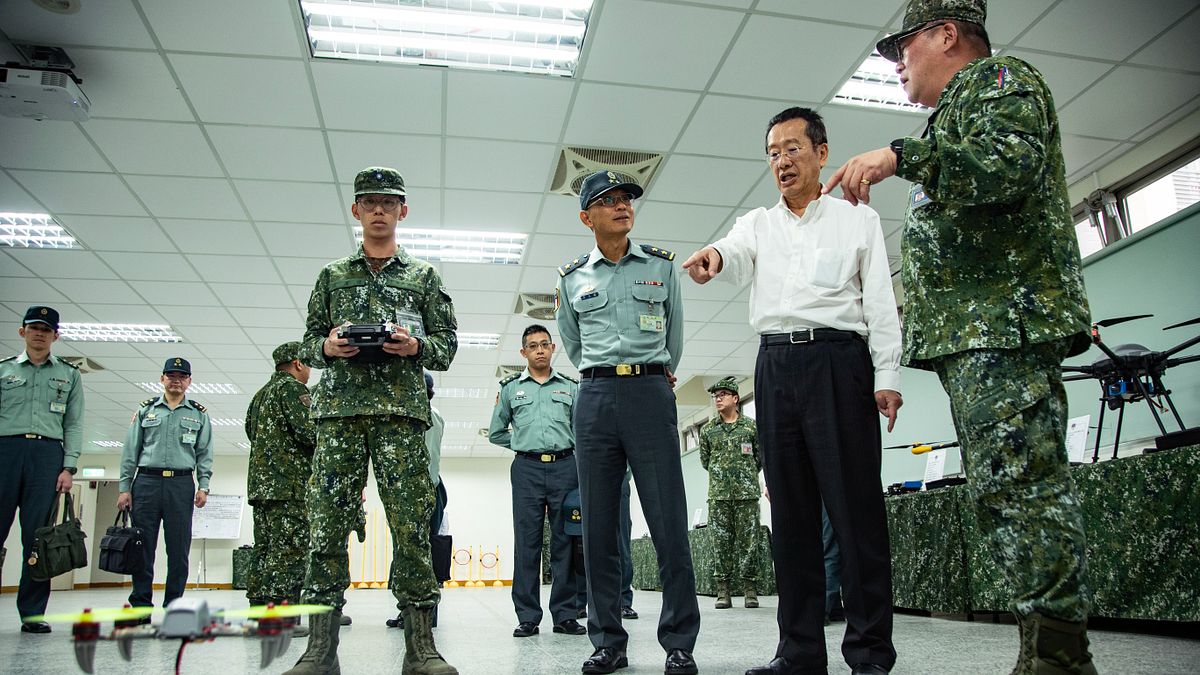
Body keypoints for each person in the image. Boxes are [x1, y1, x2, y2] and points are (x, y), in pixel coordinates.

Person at [823, 2, 1096, 673]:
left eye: (903, 48)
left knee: (1028, 492)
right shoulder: (958, 116)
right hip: (981, 338)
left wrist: (901, 155)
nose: (897, 65)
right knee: (1004, 493)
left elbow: (1007, 166)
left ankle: (1059, 657)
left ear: (947, 35)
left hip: (1005, 329)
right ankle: (1043, 651)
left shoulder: (1001, 81)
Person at [683, 107, 902, 675]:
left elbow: (880, 304)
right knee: (792, 520)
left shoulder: (858, 222)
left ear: (821, 152)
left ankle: (871, 653)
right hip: (775, 370)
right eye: (773, 152)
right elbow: (730, 251)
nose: (781, 160)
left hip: (840, 364)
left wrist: (888, 377)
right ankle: (800, 653)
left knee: (856, 516)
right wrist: (712, 257)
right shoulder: (758, 223)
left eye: (792, 148)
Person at [286, 166, 458, 675]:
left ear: (403, 211)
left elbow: (446, 346)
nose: (379, 210)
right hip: (339, 415)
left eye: (389, 202)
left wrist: (416, 345)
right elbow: (305, 342)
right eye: (370, 202)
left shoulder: (423, 276)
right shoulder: (332, 275)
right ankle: (320, 648)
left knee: (411, 529)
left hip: (402, 416)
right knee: (326, 527)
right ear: (355, 210)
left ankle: (420, 646)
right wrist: (325, 346)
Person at [557, 169, 700, 675]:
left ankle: (679, 643)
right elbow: (572, 345)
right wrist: (601, 379)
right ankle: (608, 643)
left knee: (668, 524)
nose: (622, 206)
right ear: (586, 217)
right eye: (609, 200)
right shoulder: (572, 277)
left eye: (627, 199)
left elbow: (675, 338)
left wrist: (650, 376)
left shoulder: (660, 269)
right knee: (598, 529)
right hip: (594, 397)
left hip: (649, 392)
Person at [487, 325, 586, 638]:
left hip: (566, 469)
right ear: (523, 353)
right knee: (527, 543)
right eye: (533, 346)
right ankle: (528, 616)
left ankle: (565, 615)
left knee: (565, 544)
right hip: (527, 469)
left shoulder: (571, 388)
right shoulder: (510, 389)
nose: (540, 350)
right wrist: (522, 442)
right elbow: (496, 432)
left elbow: (583, 432)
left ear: (553, 348)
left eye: (545, 344)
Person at [0, 306, 83, 633]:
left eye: (46, 330)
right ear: (22, 332)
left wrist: (69, 467)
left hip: (48, 455)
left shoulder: (69, 374)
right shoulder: (4, 371)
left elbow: (74, 424)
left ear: (55, 336)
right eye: (34, 328)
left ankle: (32, 614)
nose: (39, 334)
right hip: (6, 450)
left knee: (39, 540)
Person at [117, 357, 213, 615]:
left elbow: (204, 453)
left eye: (182, 377)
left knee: (179, 550)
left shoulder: (199, 414)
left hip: (181, 484)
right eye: (171, 376)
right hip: (146, 482)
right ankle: (140, 606)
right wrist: (124, 488)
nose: (176, 380)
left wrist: (203, 486)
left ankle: (174, 607)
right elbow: (130, 451)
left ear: (189, 382)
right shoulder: (146, 411)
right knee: (142, 549)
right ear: (162, 379)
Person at [244, 341, 316, 632]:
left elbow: (250, 432)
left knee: (264, 549)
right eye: (308, 364)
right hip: (289, 487)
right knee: (289, 551)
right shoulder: (292, 390)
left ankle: (259, 613)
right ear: (298, 363)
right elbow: (309, 432)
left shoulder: (260, 395)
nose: (310, 370)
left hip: (261, 487)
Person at [387, 371, 450, 629]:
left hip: (417, 491)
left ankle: (421, 613)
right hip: (430, 490)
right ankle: (414, 611)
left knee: (413, 553)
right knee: (420, 553)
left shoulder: (415, 417)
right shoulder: (435, 415)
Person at [697, 377, 762, 610]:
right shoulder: (707, 430)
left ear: (735, 398)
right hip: (719, 496)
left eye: (723, 394)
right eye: (715, 395)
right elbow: (706, 461)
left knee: (749, 543)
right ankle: (723, 592)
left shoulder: (751, 427)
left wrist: (743, 478)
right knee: (720, 545)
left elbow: (759, 458)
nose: (718, 398)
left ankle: (750, 591)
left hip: (747, 495)